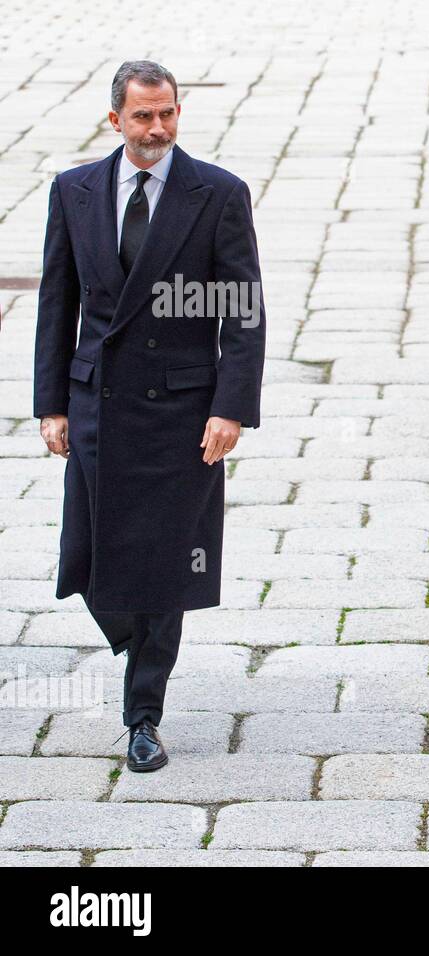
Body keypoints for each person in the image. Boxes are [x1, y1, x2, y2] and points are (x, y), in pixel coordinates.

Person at [33, 60, 266, 771]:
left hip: (182, 415)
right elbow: (56, 303)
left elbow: (244, 312)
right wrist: (49, 404)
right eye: (142, 116)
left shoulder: (217, 194)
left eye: (167, 113)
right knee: (90, 560)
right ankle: (135, 638)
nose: (157, 128)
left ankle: (142, 717)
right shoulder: (73, 191)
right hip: (96, 402)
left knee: (165, 567)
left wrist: (232, 407)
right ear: (115, 121)